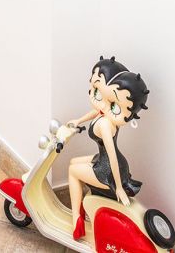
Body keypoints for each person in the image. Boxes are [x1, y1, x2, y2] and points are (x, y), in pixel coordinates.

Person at [63, 56, 151, 240]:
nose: (102, 104)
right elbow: (98, 110)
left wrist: (118, 187)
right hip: (108, 162)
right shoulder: (106, 114)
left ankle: (76, 220)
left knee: (72, 171)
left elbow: (111, 156)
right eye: (97, 92)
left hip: (109, 169)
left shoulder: (105, 125)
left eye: (115, 106)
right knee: (73, 161)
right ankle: (82, 204)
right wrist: (78, 121)